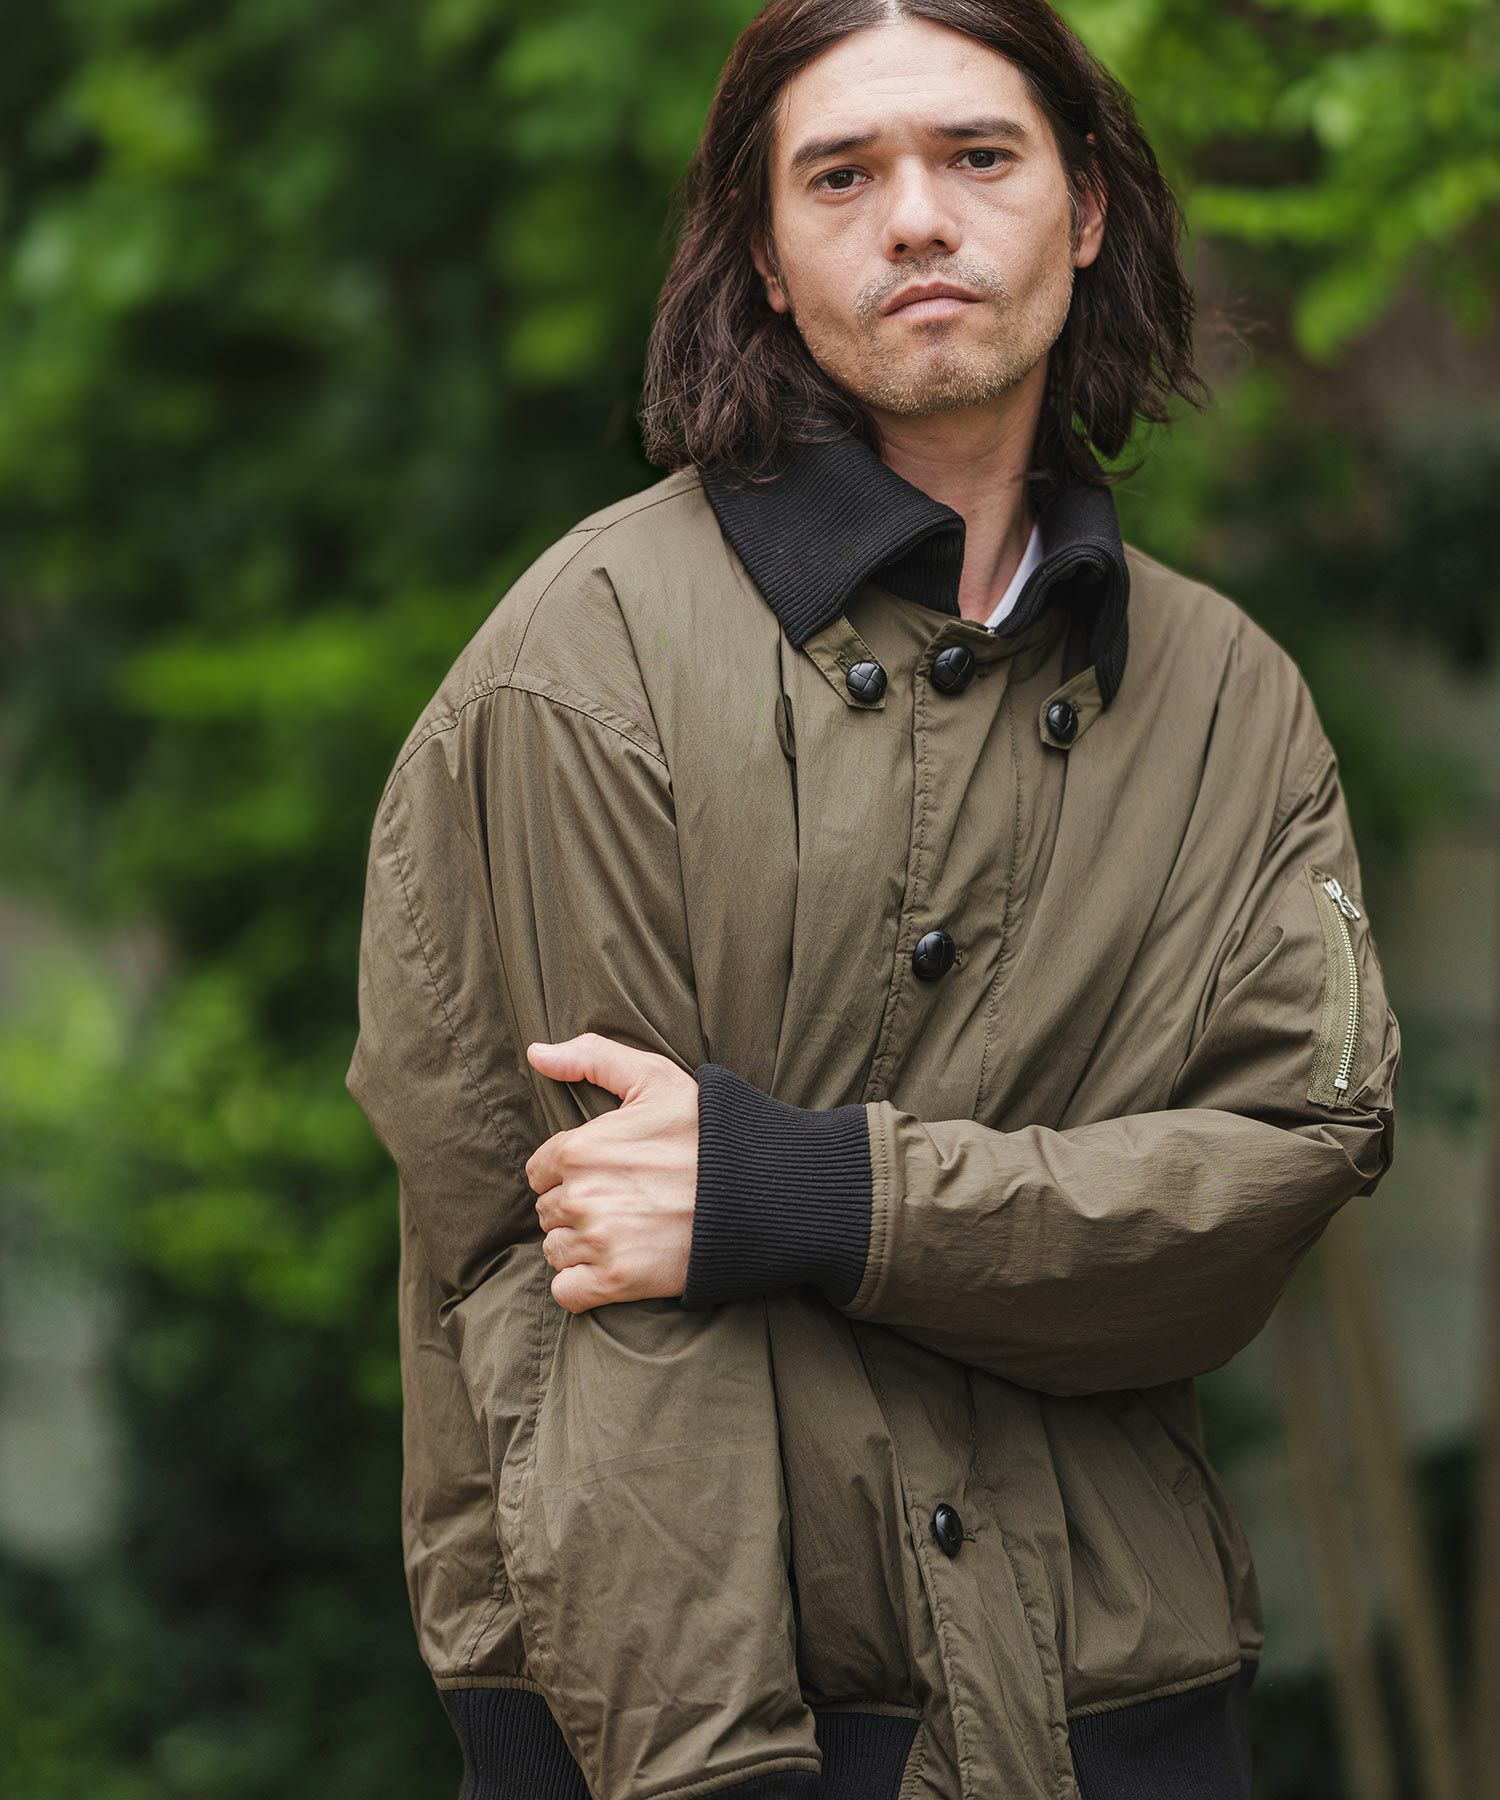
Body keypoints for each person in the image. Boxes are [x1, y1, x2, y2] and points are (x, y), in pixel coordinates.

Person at [344, 3, 1401, 1797]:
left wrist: (820, 1196)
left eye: (979, 156)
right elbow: (587, 1291)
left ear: (1084, 208)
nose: (918, 218)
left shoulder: (1231, 700)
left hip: (1130, 1715)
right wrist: (709, 1775)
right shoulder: (591, 663)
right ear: (766, 254)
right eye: (842, 176)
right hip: (726, 1733)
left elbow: (1267, 1182)